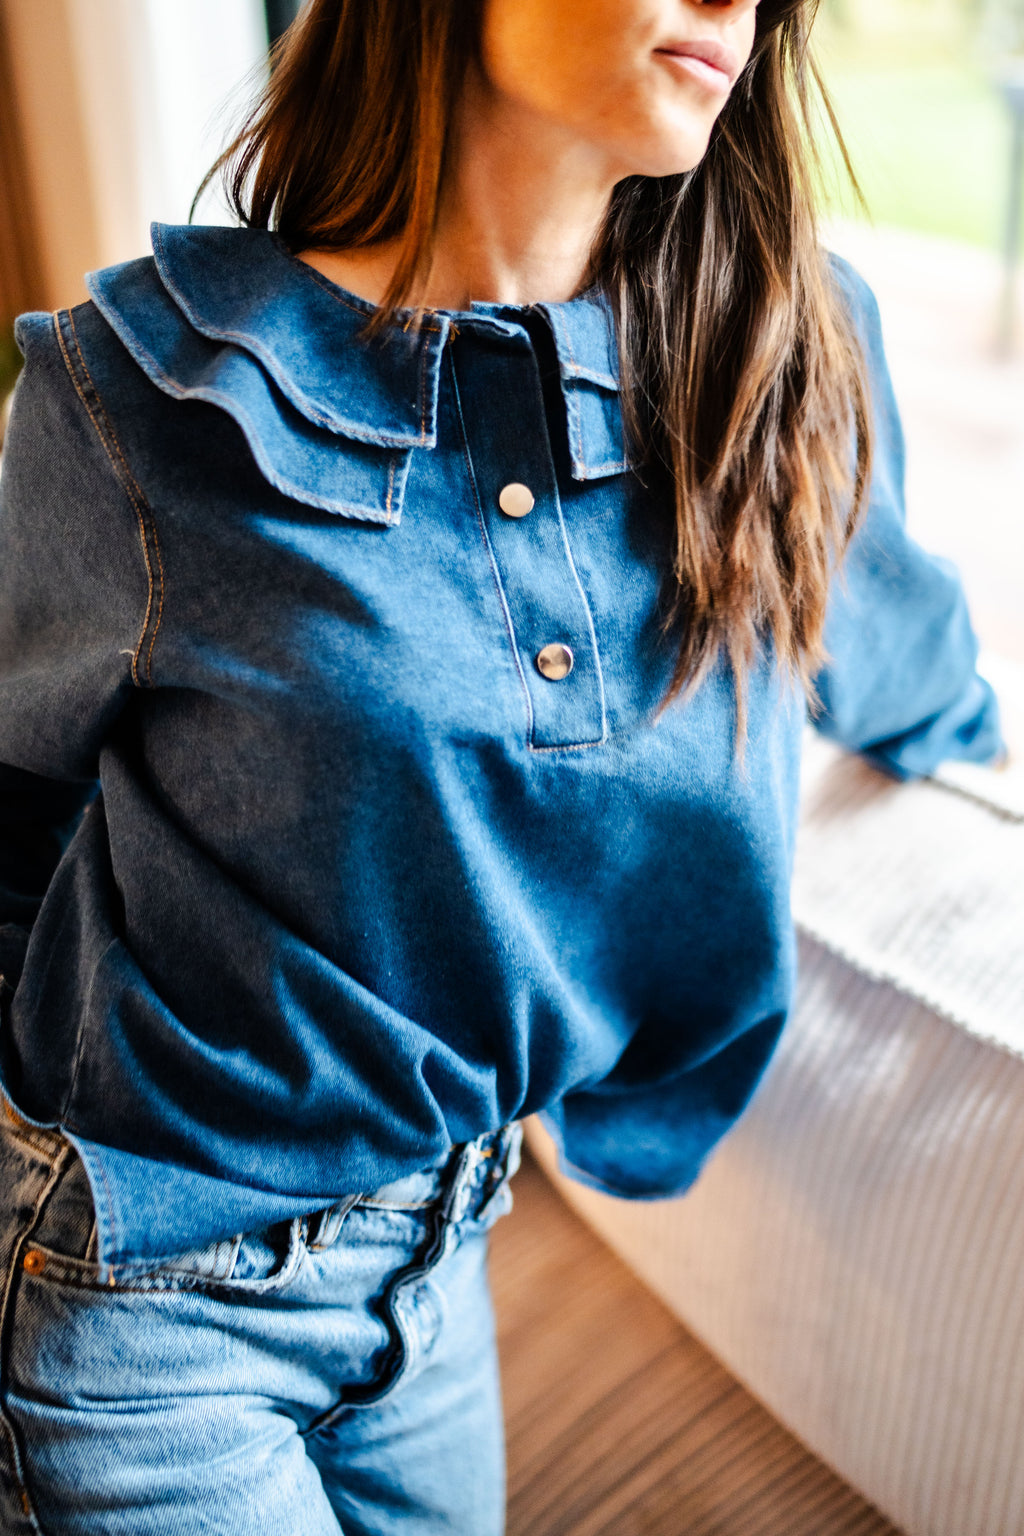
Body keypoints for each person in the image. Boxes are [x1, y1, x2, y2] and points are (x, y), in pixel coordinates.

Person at [0, 1, 1004, 1532]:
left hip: (443, 1260)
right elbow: (14, 813)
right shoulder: (135, 399)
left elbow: (914, 670)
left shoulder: (783, 360)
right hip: (143, 1307)